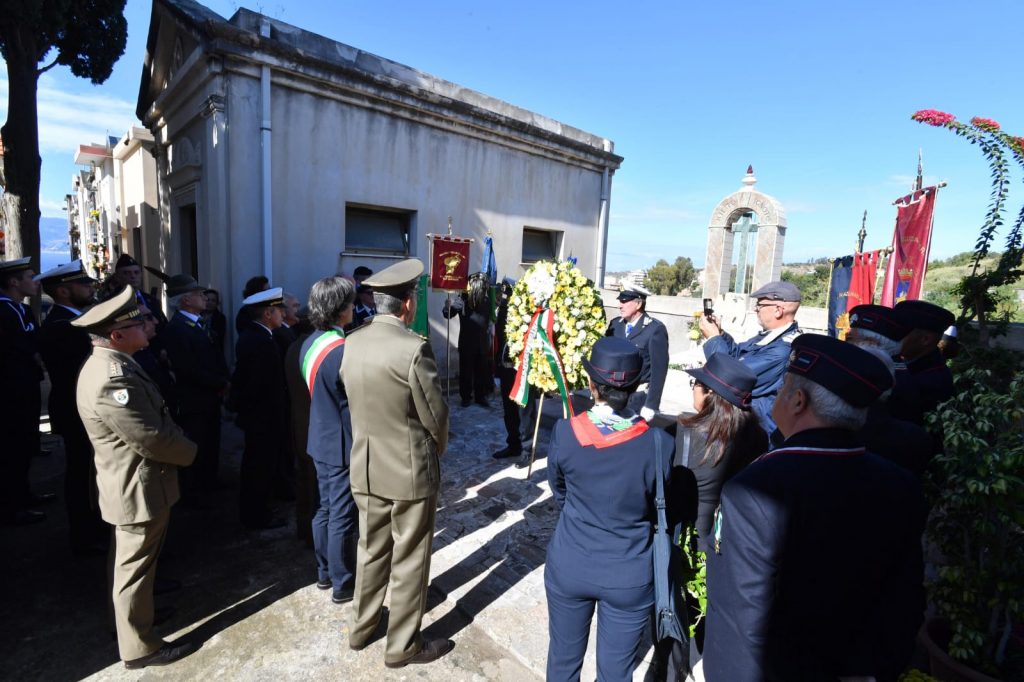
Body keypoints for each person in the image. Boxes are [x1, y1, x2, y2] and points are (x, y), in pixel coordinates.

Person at [703, 334, 925, 681]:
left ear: (797, 402)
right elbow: (904, 601)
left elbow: (739, 615)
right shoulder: (901, 484)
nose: (776, 396)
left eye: (780, 390)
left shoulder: (755, 489)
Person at [72, 286, 197, 669]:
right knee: (133, 570)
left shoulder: (115, 363)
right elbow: (150, 437)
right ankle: (140, 648)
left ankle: (132, 624)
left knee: (131, 564)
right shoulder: (112, 377)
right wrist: (190, 452)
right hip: (136, 488)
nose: (149, 325)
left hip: (131, 484)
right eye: (140, 322)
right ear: (117, 335)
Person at [545, 336, 679, 681]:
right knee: (617, 672)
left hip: (571, 561)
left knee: (562, 661)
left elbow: (559, 491)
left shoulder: (564, 432)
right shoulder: (659, 443)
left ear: (591, 385)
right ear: (638, 386)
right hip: (629, 572)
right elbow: (656, 504)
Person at [342, 259, 453, 668]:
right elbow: (435, 415)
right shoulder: (413, 347)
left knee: (370, 551)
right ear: (407, 305)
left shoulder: (352, 341)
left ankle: (362, 627)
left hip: (366, 465)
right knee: (409, 559)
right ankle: (402, 645)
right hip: (408, 471)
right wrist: (437, 450)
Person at [36, 260, 107, 552]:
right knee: (82, 474)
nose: (91, 288)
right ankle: (84, 535)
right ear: (63, 291)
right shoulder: (62, 325)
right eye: (84, 284)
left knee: (90, 471)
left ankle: (91, 526)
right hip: (77, 408)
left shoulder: (73, 319)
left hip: (81, 407)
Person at [302, 277, 359, 604]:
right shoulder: (341, 352)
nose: (353, 308)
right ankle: (343, 582)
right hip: (340, 444)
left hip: (320, 438)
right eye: (349, 303)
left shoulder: (311, 342)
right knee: (341, 516)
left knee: (324, 510)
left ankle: (324, 572)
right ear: (340, 311)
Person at [699, 280, 802, 438]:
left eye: (760, 305)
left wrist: (713, 339)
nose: (756, 309)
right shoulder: (770, 337)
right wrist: (720, 334)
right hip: (748, 427)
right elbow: (738, 354)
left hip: (759, 433)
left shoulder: (782, 349)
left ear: (778, 310)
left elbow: (730, 378)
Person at [162, 275, 230, 494]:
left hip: (208, 396)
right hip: (194, 399)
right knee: (197, 445)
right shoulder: (178, 328)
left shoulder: (195, 323)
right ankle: (197, 491)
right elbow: (187, 368)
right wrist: (220, 382)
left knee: (211, 443)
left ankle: (209, 482)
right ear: (185, 301)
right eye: (198, 294)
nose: (204, 297)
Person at [230, 287, 289, 529]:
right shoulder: (261, 341)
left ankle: (257, 510)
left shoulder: (256, 336)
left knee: (258, 464)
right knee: (259, 467)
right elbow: (259, 385)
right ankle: (257, 515)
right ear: (268, 313)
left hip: (259, 416)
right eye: (279, 311)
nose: (283, 315)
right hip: (263, 418)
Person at [0, 257, 51, 526]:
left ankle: (23, 495)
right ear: (14, 282)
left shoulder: (22, 310)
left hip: (26, 387)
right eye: (29, 277)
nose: (34, 282)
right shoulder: (4, 312)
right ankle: (12, 506)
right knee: (12, 449)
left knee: (24, 446)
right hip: (10, 392)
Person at [605, 283, 668, 421]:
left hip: (637, 399)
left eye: (624, 301)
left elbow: (659, 371)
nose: (619, 305)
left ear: (638, 304)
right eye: (620, 301)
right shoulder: (615, 325)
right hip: (613, 395)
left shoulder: (654, 329)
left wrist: (651, 404)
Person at [492, 277, 538, 462]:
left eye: (507, 294)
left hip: (523, 368)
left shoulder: (527, 313)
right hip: (506, 368)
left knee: (525, 411)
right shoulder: (503, 311)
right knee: (508, 409)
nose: (504, 298)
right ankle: (513, 445)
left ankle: (527, 450)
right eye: (503, 294)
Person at [892, 299, 956, 423]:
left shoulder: (934, 380)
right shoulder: (906, 363)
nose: (892, 336)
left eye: (900, 332)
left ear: (925, 339)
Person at [442, 272, 493, 408]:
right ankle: (466, 397)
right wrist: (448, 306)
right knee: (466, 372)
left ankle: (480, 396)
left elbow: (488, 320)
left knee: (481, 372)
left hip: (482, 343)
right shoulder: (462, 300)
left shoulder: (486, 301)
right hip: (467, 343)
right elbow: (448, 314)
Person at [113, 254, 167, 329]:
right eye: (126, 273)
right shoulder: (111, 302)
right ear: (117, 277)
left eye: (136, 272)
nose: (133, 276)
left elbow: (163, 324)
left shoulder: (152, 300)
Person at [202, 288, 228, 358]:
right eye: (207, 299)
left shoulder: (220, 318)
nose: (210, 303)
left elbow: (218, 338)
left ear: (217, 303)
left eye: (213, 300)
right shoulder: (196, 315)